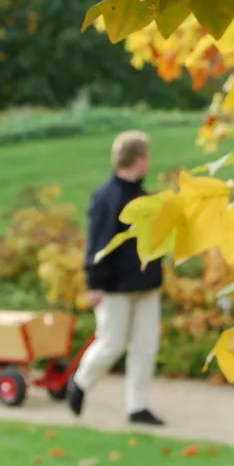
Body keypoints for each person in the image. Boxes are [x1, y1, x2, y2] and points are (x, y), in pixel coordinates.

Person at [66, 130, 165, 426]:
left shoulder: (144, 198)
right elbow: (97, 242)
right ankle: (80, 383)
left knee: (145, 346)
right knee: (111, 344)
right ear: (138, 159)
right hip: (114, 288)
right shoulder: (107, 198)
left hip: (146, 284)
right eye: (146, 155)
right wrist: (94, 283)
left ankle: (138, 406)